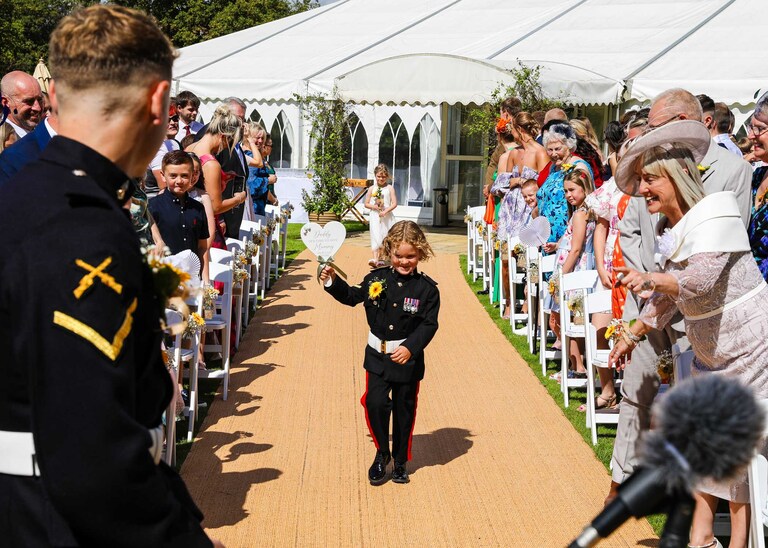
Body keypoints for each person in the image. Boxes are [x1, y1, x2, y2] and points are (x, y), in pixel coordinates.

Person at [0, 5, 220, 546]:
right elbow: (89, 452)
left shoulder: (23, 194)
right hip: (50, 515)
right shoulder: (80, 227)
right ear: (155, 102)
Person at [610, 119, 768, 548]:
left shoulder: (717, 214)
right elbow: (668, 298)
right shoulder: (673, 230)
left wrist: (651, 279)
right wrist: (632, 332)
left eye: (649, 180)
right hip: (712, 354)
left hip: (750, 350)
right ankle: (701, 539)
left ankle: (737, 542)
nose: (642, 191)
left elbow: (697, 280)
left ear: (676, 178)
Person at [320, 220, 440, 485]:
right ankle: (381, 453)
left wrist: (410, 348)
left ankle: (399, 461)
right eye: (398, 256)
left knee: (404, 410)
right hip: (377, 357)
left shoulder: (427, 290)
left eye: (411, 256)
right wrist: (331, 282)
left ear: (420, 253)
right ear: (389, 251)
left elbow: (429, 324)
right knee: (374, 403)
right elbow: (353, 296)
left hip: (407, 361)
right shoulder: (377, 278)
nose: (404, 262)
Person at [548, 165, 597, 378]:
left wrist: (560, 277)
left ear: (585, 188)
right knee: (573, 319)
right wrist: (558, 244)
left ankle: (576, 366)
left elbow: (576, 248)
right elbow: (572, 241)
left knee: (564, 319)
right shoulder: (587, 212)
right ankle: (575, 366)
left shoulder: (580, 214)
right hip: (579, 267)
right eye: (566, 191)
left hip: (573, 270)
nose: (568, 195)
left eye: (572, 190)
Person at [185, 104, 246, 250]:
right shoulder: (211, 164)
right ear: (224, 137)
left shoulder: (189, 149)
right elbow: (215, 207)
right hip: (205, 226)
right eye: (231, 143)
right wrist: (239, 198)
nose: (227, 147)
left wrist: (222, 180)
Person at [538, 122, 593, 254]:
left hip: (567, 239)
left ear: (569, 146)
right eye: (550, 150)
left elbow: (586, 204)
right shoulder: (553, 168)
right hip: (547, 239)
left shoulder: (579, 167)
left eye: (558, 149)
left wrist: (564, 240)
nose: (553, 154)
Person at [148, 149, 209, 266]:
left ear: (192, 176)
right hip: (164, 275)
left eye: (184, 176)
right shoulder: (152, 207)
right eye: (173, 176)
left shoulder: (198, 208)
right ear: (163, 176)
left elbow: (202, 247)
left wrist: (205, 280)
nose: (179, 181)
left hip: (192, 277)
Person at [747, 90, 768, 279]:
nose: (751, 136)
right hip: (751, 292)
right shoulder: (757, 175)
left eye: (759, 129)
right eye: (750, 127)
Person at [364, 163, 398, 267]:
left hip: (386, 216)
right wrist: (374, 207)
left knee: (385, 235)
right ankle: (375, 259)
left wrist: (385, 211)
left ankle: (382, 257)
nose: (381, 179)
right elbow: (366, 203)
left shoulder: (390, 188)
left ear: (387, 176)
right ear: (375, 176)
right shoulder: (371, 188)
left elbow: (394, 203)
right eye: (379, 176)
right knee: (375, 235)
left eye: (383, 176)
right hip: (375, 215)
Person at [0, 71, 43, 137]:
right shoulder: (5, 142)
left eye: (40, 100)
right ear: (6, 102)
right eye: (29, 101)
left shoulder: (43, 134)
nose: (38, 108)